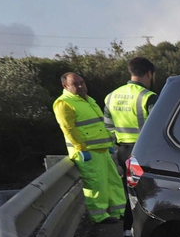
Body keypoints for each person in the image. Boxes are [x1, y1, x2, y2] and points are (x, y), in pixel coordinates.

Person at [53, 72, 126, 226]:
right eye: (75, 84)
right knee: (96, 184)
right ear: (65, 86)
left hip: (102, 148)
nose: (81, 86)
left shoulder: (87, 100)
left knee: (113, 181)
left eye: (82, 82)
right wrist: (81, 148)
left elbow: (98, 124)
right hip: (88, 151)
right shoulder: (64, 103)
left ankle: (119, 211)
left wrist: (109, 144)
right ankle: (99, 216)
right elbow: (68, 129)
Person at [104, 57, 157, 237]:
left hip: (123, 152)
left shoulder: (111, 96)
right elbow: (157, 127)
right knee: (147, 198)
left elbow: (108, 128)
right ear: (150, 74)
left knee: (130, 198)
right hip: (143, 154)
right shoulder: (148, 97)